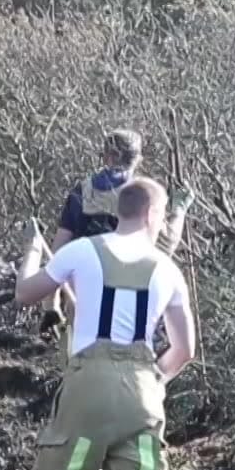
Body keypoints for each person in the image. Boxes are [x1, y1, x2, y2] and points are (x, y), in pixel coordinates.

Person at [11, 178, 198, 470]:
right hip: (142, 392)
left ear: (121, 211)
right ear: (155, 216)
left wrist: (33, 252)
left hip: (88, 388)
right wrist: (156, 381)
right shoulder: (167, 269)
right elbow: (184, 349)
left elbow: (26, 294)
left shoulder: (82, 251)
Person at [41, 129, 191, 345]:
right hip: (127, 293)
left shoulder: (80, 193)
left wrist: (51, 305)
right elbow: (166, 244)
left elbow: (57, 252)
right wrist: (179, 210)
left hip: (81, 294)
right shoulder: (139, 194)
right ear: (137, 158)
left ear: (105, 155)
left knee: (79, 358)